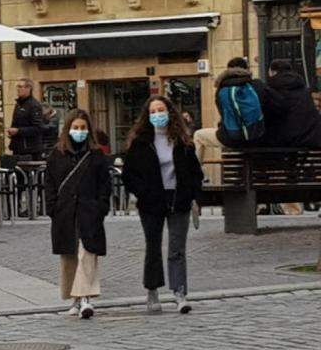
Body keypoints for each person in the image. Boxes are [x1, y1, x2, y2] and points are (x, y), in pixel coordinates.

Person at [123, 95, 203, 314]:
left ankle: (180, 292)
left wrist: (192, 193)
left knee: (177, 249)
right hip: (151, 201)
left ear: (170, 112)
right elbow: (129, 174)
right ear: (147, 116)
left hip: (178, 198)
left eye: (161, 110)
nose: (158, 115)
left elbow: (195, 171)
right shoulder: (141, 143)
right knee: (153, 247)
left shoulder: (182, 141)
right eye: (153, 112)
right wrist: (143, 193)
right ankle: (152, 290)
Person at [45, 109, 112, 319]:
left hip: (89, 211)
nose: (79, 131)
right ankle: (74, 298)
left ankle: (85, 298)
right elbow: (50, 184)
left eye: (83, 128)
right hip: (65, 213)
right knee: (70, 256)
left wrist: (100, 207)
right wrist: (53, 207)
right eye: (76, 128)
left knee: (87, 254)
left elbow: (104, 185)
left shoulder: (96, 156)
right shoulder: (57, 155)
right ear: (68, 129)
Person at [194, 57, 273, 166]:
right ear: (247, 69)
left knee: (198, 136)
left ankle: (195, 174)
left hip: (231, 139)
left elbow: (224, 114)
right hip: (257, 137)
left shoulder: (222, 89)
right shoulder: (258, 85)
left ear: (228, 70)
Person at [263, 59, 321, 148]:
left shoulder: (272, 90)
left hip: (285, 141)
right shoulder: (304, 90)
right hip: (309, 138)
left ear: (273, 72)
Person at [7, 78, 45, 159]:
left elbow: (38, 128)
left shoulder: (34, 105)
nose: (18, 89)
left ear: (28, 88)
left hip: (30, 150)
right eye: (17, 87)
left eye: (20, 87)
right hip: (17, 147)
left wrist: (18, 131)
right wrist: (13, 133)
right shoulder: (18, 104)